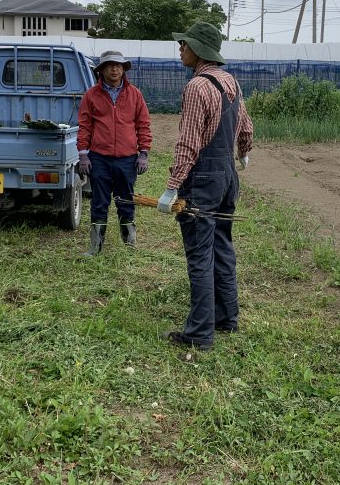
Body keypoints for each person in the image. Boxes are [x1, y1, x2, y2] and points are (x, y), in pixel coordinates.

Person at [157, 22, 253, 351]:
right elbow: (246, 127)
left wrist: (172, 186)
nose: (180, 48)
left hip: (203, 178)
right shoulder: (231, 82)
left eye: (184, 44)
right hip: (227, 174)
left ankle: (200, 333)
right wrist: (243, 153)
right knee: (222, 246)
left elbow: (189, 143)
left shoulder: (198, 87)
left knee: (200, 254)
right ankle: (227, 318)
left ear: (199, 50)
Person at [76, 50, 153, 255]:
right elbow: (84, 126)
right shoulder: (91, 95)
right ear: (101, 70)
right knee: (99, 202)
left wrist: (143, 153)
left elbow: (143, 124)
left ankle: (130, 245)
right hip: (99, 159)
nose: (114, 69)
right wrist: (83, 154)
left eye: (118, 65)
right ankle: (95, 247)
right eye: (109, 65)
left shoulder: (135, 94)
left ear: (123, 69)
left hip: (127, 160)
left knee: (125, 201)